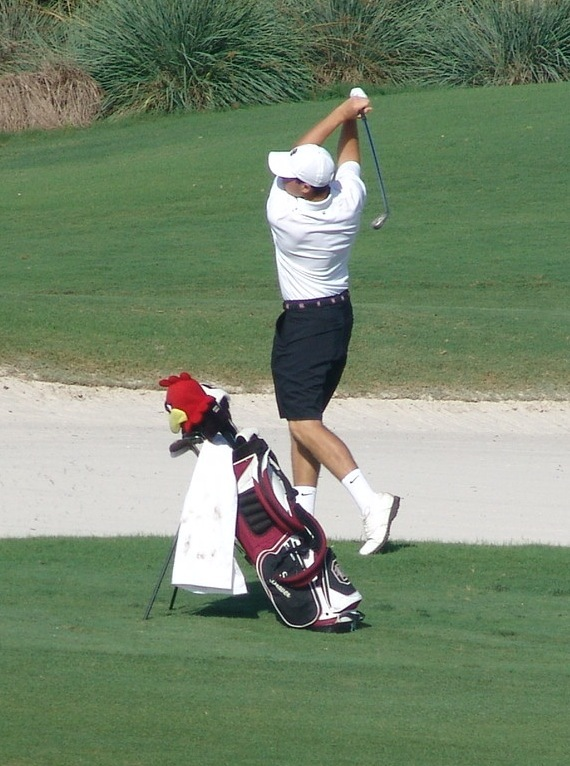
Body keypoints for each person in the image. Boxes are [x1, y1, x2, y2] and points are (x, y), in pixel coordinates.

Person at [265, 92, 400, 555]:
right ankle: (303, 522)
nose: (282, 177)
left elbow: (310, 150)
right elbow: (348, 165)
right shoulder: (348, 200)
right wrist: (353, 121)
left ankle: (371, 501)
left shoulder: (285, 213)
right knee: (305, 420)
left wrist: (341, 113)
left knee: (302, 421)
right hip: (338, 316)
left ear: (303, 187)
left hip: (305, 326)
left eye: (290, 176)